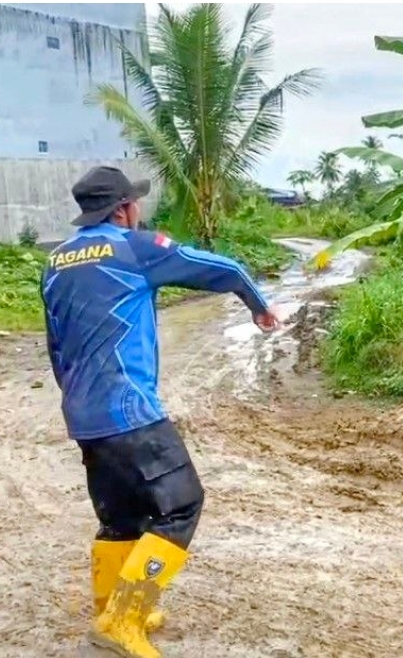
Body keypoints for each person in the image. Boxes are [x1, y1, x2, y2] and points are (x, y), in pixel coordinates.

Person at [39, 166, 282, 657]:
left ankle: (112, 610)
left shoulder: (55, 262)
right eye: (135, 204)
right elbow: (225, 268)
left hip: (84, 415)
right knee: (181, 503)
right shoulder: (134, 247)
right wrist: (259, 307)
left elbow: (55, 346)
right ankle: (123, 622)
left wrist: (78, 404)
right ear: (123, 209)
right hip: (130, 410)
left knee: (120, 518)